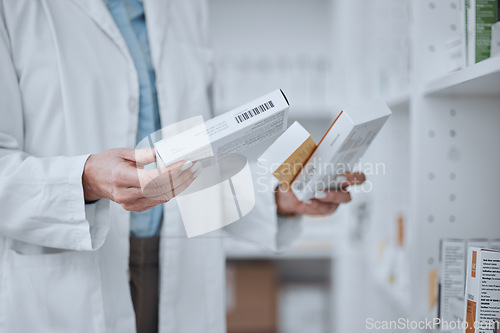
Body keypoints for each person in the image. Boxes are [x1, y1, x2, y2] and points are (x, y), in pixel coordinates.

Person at [0, 0, 365, 332]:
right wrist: (86, 181)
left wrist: (278, 198)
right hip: (71, 277)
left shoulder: (186, 7)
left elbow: (198, 163)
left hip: (177, 265)